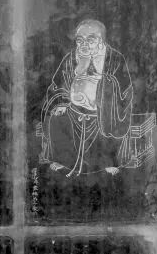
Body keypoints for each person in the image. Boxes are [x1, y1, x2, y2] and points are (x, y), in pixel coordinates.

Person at [40, 20, 135, 176]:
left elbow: (124, 90)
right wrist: (63, 102)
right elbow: (57, 86)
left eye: (90, 40)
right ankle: (63, 160)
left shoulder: (114, 58)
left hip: (103, 113)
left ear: (101, 41)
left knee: (108, 125)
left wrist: (101, 86)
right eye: (80, 40)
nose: (84, 45)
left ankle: (108, 163)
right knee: (56, 120)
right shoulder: (71, 58)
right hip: (73, 110)